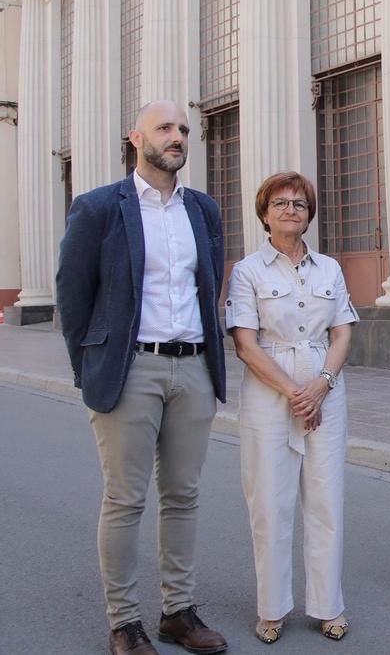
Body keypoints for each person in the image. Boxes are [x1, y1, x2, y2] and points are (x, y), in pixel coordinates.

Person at [56, 100, 228, 655]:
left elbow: (209, 287)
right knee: (125, 499)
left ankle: (178, 612)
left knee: (183, 496)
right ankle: (123, 622)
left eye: (183, 129)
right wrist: (90, 369)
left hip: (194, 365)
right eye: (165, 128)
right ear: (136, 138)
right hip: (130, 367)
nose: (177, 136)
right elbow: (73, 295)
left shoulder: (202, 209)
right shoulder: (100, 207)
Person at [225, 172, 358, 643]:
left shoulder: (330, 269)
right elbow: (245, 343)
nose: (290, 210)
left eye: (299, 204)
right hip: (268, 391)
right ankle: (272, 607)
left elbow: (342, 330)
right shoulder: (248, 271)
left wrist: (321, 385)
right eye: (280, 203)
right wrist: (294, 393)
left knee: (326, 500)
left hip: (325, 385)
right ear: (264, 212)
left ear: (309, 214)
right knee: (270, 502)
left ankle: (327, 605)